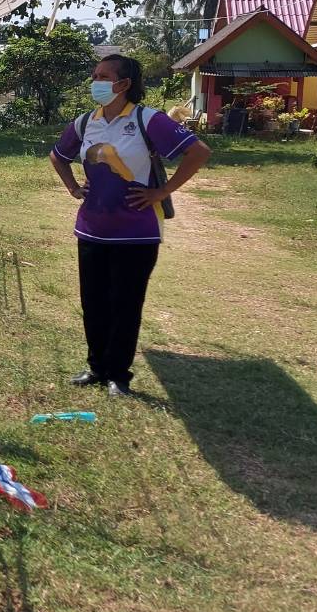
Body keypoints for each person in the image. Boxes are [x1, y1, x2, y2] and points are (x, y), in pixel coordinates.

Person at [49, 54, 210, 396]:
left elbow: (198, 152)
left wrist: (162, 191)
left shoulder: (146, 119)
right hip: (91, 229)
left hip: (137, 232)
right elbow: (57, 156)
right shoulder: (84, 122)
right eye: (94, 74)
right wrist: (75, 188)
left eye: (103, 76)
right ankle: (96, 367)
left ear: (123, 85)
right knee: (93, 301)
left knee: (125, 303)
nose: (95, 81)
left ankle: (118, 375)